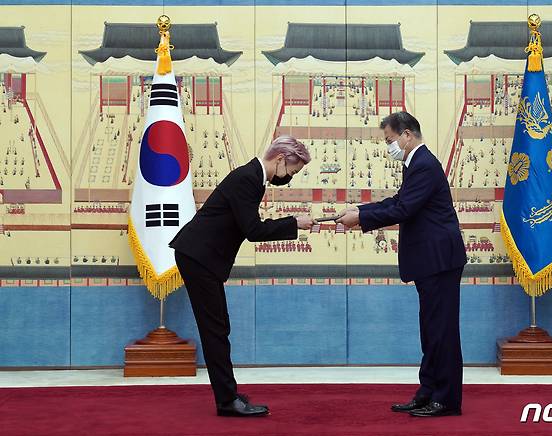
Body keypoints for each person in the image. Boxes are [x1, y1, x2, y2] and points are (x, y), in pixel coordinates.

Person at [170, 135, 315, 417]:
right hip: (198, 257)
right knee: (215, 331)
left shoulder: (253, 178)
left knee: (219, 328)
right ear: (280, 159)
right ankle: (227, 401)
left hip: (202, 258)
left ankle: (228, 393)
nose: (290, 178)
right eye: (292, 171)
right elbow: (254, 231)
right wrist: (294, 223)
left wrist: (292, 224)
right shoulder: (248, 178)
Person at [337, 111, 467, 417]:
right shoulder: (416, 164)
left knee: (442, 331)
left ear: (407, 135)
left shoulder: (424, 165)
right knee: (430, 330)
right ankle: (428, 392)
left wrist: (361, 218)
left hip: (439, 260)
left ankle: (446, 399)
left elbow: (404, 209)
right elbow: (399, 201)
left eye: (390, 140)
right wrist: (360, 210)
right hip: (431, 261)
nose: (389, 147)